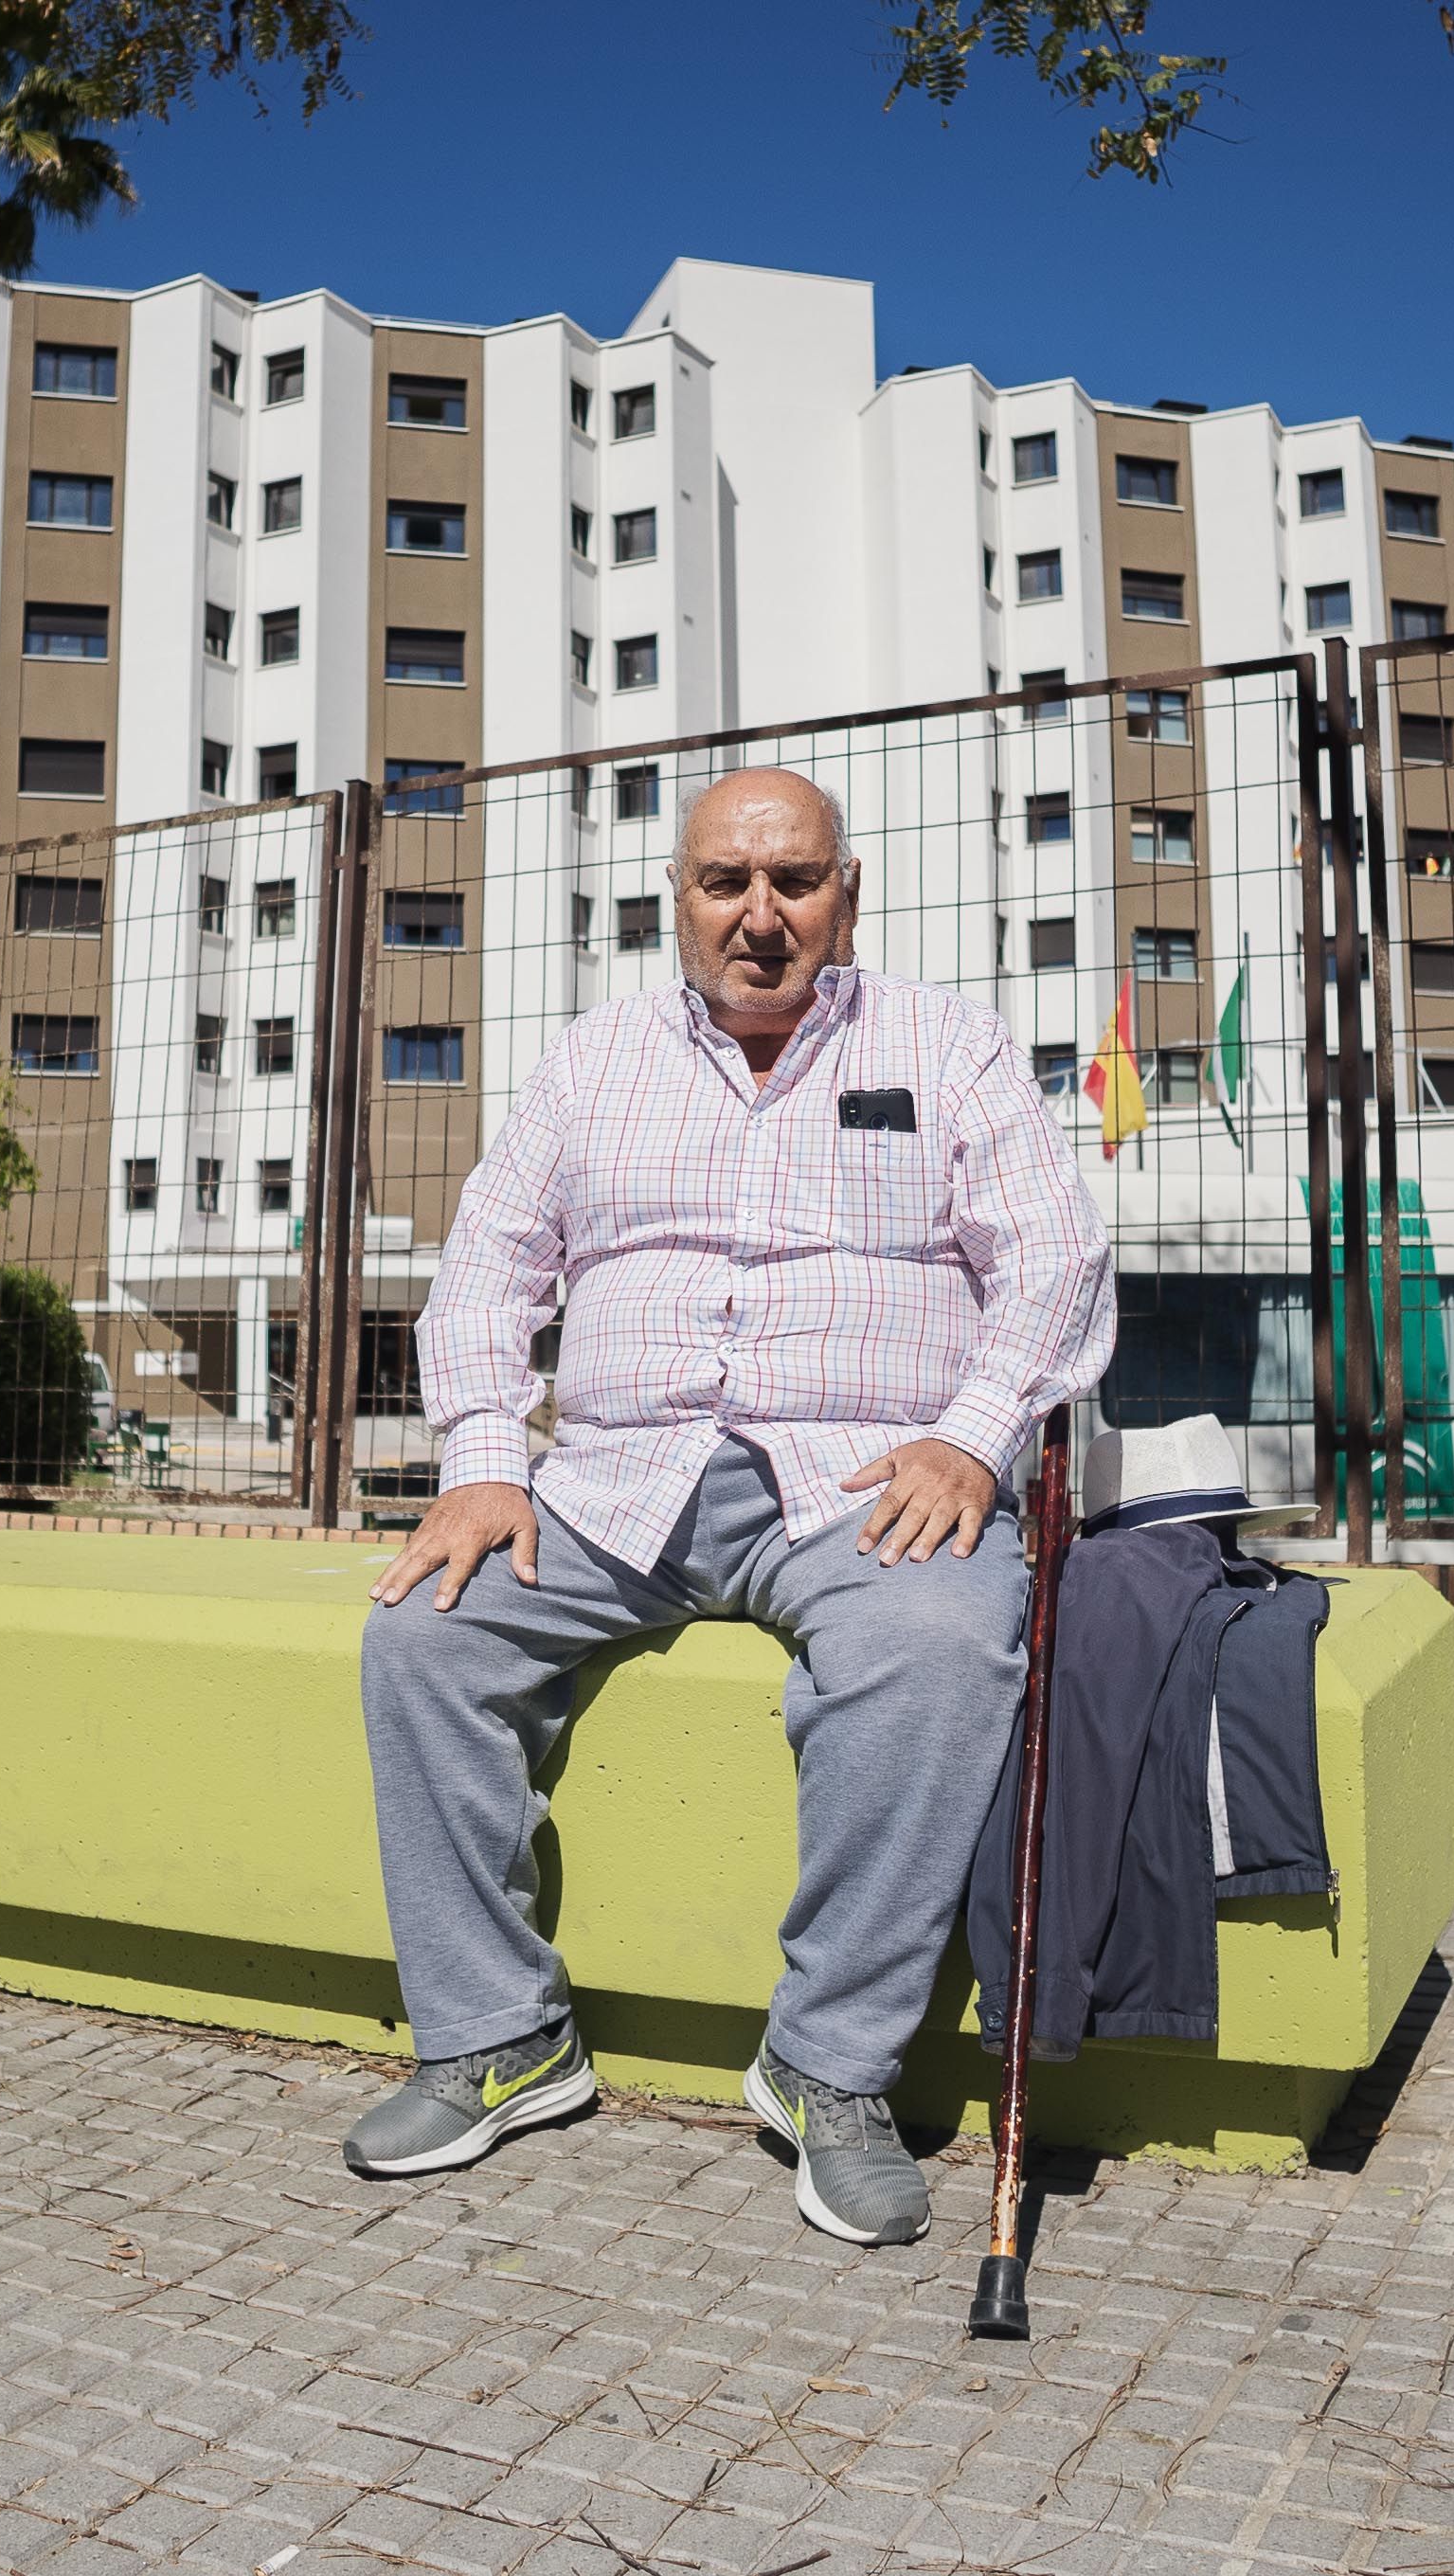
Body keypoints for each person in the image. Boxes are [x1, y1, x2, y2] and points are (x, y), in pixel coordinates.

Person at [343, 767, 1112, 2244]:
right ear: (679, 899)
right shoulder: (592, 1060)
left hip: (864, 1484)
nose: (761, 918)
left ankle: (829, 2069)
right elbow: (487, 1269)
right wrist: (484, 1459)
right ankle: (501, 2036)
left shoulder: (946, 1047)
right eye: (725, 884)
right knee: (425, 1636)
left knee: (941, 1652)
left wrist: (971, 1439)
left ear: (848, 891)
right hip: (615, 1482)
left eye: (795, 881)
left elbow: (1057, 1264)